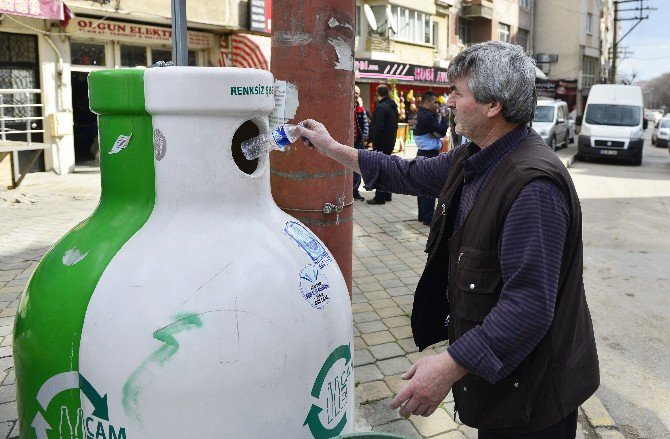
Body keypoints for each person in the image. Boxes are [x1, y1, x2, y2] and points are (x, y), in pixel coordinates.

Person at [297, 41, 599, 438]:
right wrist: (332, 149)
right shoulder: (475, 156)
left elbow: (527, 307)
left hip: (533, 397)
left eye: (458, 93)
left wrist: (451, 363)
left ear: (494, 105)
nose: (448, 102)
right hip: (505, 383)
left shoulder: (532, 187)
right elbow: (407, 174)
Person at [413, 91, 448, 225]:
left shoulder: (418, 114)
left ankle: (423, 215)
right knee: (429, 186)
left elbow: (435, 133)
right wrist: (444, 118)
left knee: (421, 185)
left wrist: (434, 132)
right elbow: (441, 132)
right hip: (429, 155)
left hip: (421, 152)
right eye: (435, 102)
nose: (437, 105)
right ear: (427, 102)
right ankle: (428, 218)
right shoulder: (426, 116)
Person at [367, 84, 399, 205]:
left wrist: (372, 141)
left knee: (380, 169)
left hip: (381, 144)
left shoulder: (381, 108)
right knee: (386, 168)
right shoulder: (392, 106)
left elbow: (378, 128)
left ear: (378, 94)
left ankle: (379, 197)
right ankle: (387, 194)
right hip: (389, 143)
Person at [353, 86, 369, 201]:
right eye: (354, 92)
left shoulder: (361, 110)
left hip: (358, 144)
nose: (355, 95)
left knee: (358, 168)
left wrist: (363, 139)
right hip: (346, 144)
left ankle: (355, 191)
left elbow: (365, 125)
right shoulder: (344, 108)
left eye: (357, 93)